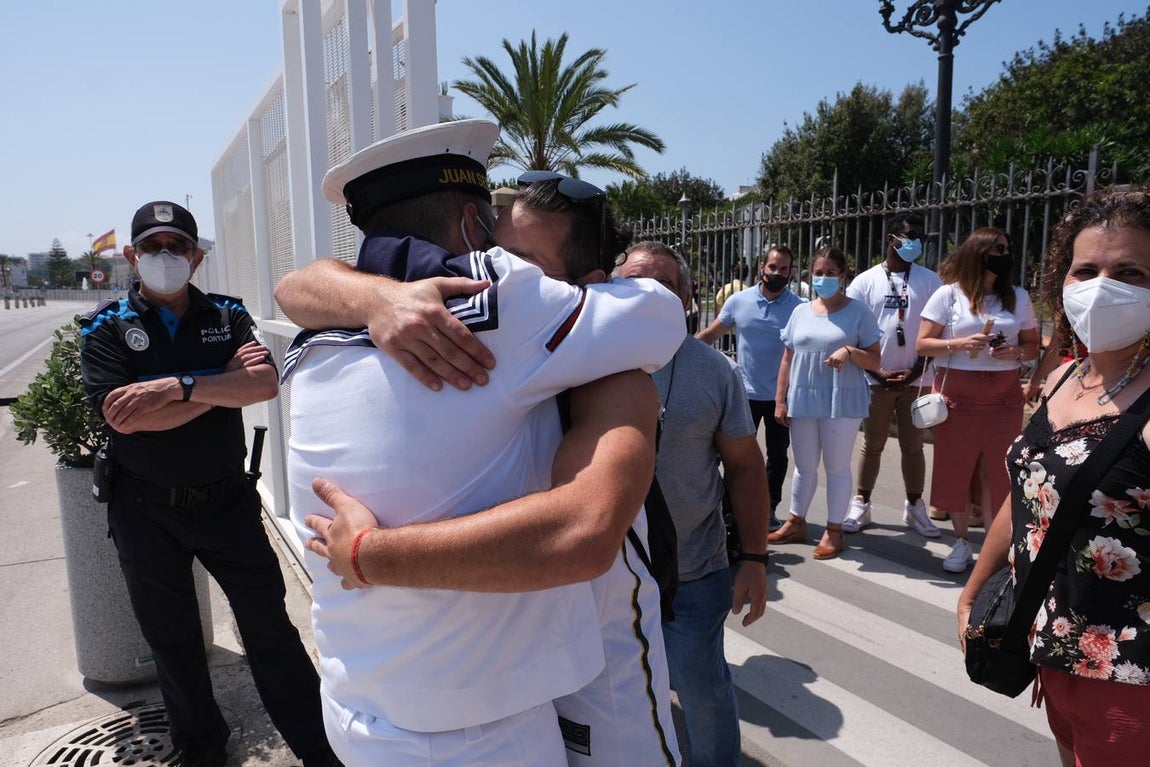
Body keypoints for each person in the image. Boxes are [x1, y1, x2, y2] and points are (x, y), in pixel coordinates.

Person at [280, 120, 684, 766]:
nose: (508, 265)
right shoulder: (505, 307)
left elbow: (292, 285)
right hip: (478, 732)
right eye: (500, 245)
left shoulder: (316, 351)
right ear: (474, 232)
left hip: (362, 712)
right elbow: (663, 312)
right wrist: (369, 554)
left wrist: (368, 292)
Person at [78, 202, 338, 767]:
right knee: (172, 642)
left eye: (176, 247)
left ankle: (322, 752)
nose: (164, 257)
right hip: (144, 509)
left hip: (227, 503)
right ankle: (200, 748)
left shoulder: (228, 313)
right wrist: (221, 383)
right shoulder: (104, 326)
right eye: (152, 247)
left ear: (197, 258)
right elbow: (122, 418)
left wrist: (175, 387)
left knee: (271, 632)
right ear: (131, 256)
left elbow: (264, 383)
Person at [958, 186, 1150, 766]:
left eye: (1131, 272)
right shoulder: (1065, 378)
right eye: (1085, 269)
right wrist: (973, 590)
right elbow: (1026, 497)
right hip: (1053, 649)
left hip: (1129, 681)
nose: (1101, 286)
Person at [614, 241, 769, 767]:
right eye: (632, 283)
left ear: (686, 300)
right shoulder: (578, 363)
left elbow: (746, 468)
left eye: (663, 287)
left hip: (695, 572)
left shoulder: (714, 372)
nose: (646, 297)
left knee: (701, 692)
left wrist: (754, 559)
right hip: (602, 575)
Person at [916, 227, 1040, 573]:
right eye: (997, 248)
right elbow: (923, 344)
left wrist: (1017, 353)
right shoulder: (947, 296)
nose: (1004, 253)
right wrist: (958, 344)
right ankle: (959, 542)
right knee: (957, 469)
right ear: (979, 253)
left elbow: (1032, 345)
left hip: (1003, 396)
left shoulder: (1017, 296)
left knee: (997, 472)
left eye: (1007, 247)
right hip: (958, 395)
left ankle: (993, 548)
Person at [771, 246, 882, 560]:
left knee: (835, 467)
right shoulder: (800, 312)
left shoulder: (858, 312)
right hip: (804, 397)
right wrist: (780, 399)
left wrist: (849, 351)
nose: (823, 278)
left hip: (841, 399)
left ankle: (834, 531)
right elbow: (787, 358)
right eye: (818, 273)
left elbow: (875, 360)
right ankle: (796, 521)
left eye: (831, 273)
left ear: (843, 276)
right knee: (804, 466)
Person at [844, 213, 942, 538]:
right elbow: (853, 335)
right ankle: (862, 502)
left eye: (919, 237)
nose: (914, 242)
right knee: (872, 444)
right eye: (908, 236)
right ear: (891, 240)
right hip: (875, 380)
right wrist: (879, 372)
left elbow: (938, 330)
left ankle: (915, 506)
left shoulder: (930, 281)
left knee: (914, 446)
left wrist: (916, 369)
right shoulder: (864, 282)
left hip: (919, 380)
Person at [697, 245, 804, 532]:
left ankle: (767, 510)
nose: (778, 273)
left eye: (784, 269)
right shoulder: (739, 301)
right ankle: (726, 510)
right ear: (761, 268)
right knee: (733, 456)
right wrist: (680, 351)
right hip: (743, 395)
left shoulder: (800, 308)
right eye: (773, 267)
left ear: (791, 272)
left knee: (778, 457)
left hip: (782, 398)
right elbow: (711, 334)